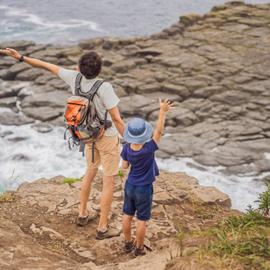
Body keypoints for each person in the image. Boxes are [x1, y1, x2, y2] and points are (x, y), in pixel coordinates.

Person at [0, 48, 125, 239]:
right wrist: (132, 141)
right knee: (109, 180)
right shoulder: (104, 87)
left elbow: (45, 65)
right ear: (99, 69)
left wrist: (21, 57)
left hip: (86, 135)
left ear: (79, 68)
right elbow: (116, 119)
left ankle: (83, 214)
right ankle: (102, 227)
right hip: (106, 136)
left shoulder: (74, 77)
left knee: (90, 172)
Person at [121, 99, 174, 256]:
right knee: (141, 220)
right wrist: (162, 112)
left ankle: (127, 243)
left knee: (127, 215)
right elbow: (159, 131)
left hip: (130, 185)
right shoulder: (149, 148)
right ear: (145, 134)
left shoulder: (126, 148)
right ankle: (139, 248)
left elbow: (124, 167)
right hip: (144, 188)